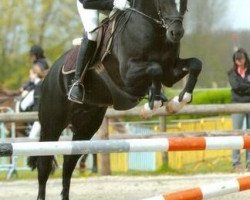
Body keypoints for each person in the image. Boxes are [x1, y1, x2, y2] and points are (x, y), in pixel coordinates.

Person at [68, 0, 131, 104]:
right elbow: (87, 2)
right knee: (93, 32)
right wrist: (114, 3)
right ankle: (77, 82)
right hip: (88, 3)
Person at [228, 48, 250, 172]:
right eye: (237, 59)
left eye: (241, 59)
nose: (239, 61)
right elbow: (236, 86)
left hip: (249, 104)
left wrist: (243, 87)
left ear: (245, 59)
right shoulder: (231, 72)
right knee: (236, 133)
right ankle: (236, 162)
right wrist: (246, 86)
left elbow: (240, 87)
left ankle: (249, 161)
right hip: (237, 105)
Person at [20, 63, 45, 138]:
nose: (29, 76)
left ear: (35, 74)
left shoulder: (36, 87)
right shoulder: (44, 83)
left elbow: (23, 105)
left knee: (30, 140)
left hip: (38, 120)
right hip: (47, 120)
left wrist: (24, 96)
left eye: (30, 74)